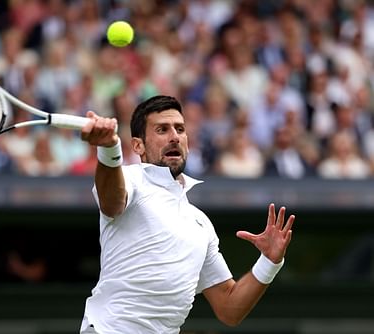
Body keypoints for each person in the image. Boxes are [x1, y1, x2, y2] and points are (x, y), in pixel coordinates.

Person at [79, 95, 295, 333]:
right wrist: (109, 149)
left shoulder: (200, 223)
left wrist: (270, 261)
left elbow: (229, 309)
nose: (174, 136)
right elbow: (111, 202)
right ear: (138, 145)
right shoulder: (130, 179)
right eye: (162, 129)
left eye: (180, 129)